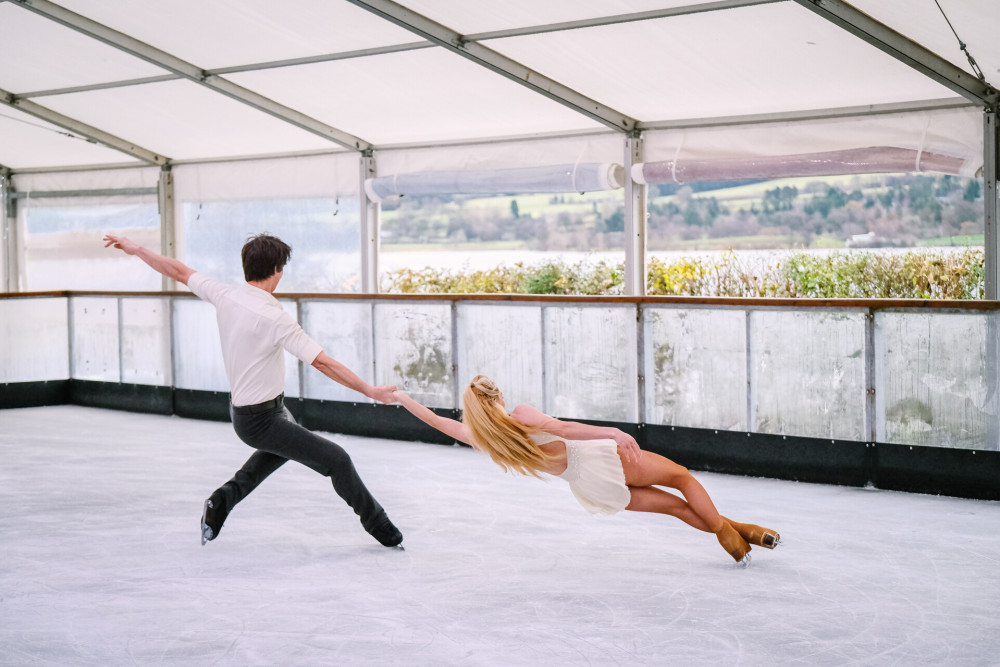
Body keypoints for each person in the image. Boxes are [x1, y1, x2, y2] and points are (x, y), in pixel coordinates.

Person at [103, 232, 403, 549]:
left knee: (279, 451)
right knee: (337, 460)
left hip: (258, 413)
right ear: (276, 269)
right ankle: (382, 528)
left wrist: (137, 250)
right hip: (261, 420)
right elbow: (323, 363)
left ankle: (222, 500)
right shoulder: (275, 318)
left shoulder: (225, 294)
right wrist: (371, 391)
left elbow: (178, 271)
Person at [393, 375, 779, 566]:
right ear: (498, 396)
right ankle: (732, 536)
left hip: (586, 485)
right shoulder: (522, 416)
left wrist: (401, 399)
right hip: (600, 459)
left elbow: (438, 422)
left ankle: (742, 537)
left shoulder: (489, 441)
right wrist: (611, 431)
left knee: (678, 508)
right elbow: (565, 430)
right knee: (681, 478)